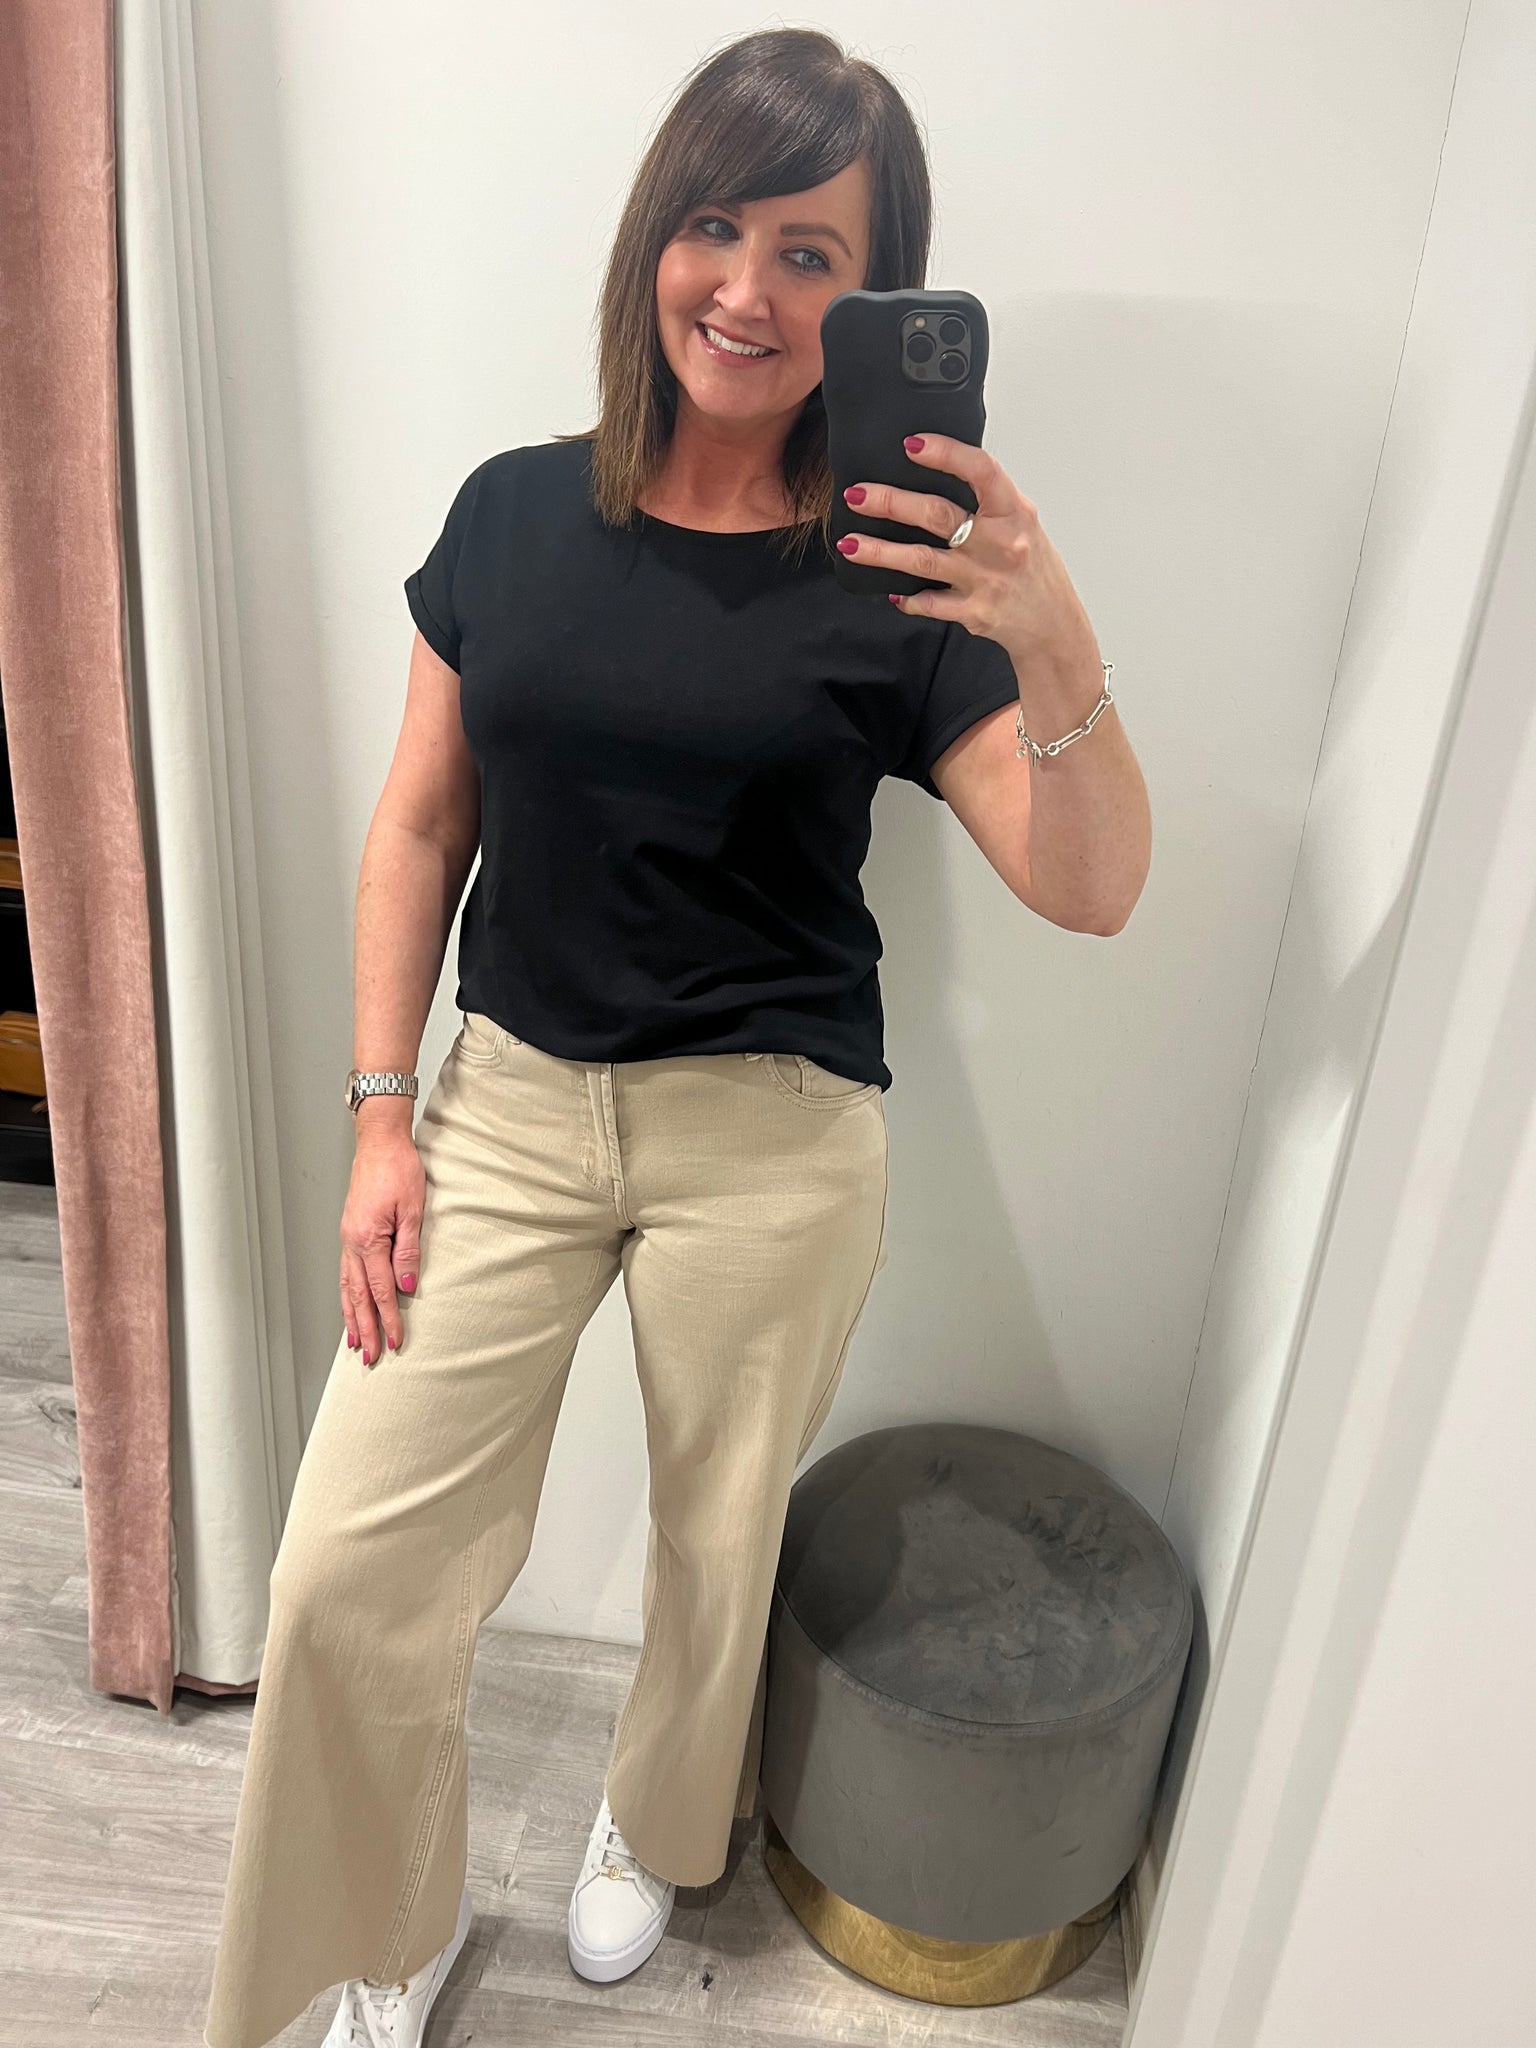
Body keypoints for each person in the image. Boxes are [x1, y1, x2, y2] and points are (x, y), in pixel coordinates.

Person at [202, 26, 1149, 2048]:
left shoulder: (901, 573)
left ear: (877, 297)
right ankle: (387, 1919)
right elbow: (418, 826)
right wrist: (381, 1116)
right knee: (345, 1573)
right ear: (654, 241)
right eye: (716, 228)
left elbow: (1092, 885)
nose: (746, 288)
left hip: (773, 1139)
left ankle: (649, 1819)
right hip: (509, 1107)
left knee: (719, 1544)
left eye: (813, 254)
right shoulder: (513, 515)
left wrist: (1049, 622)